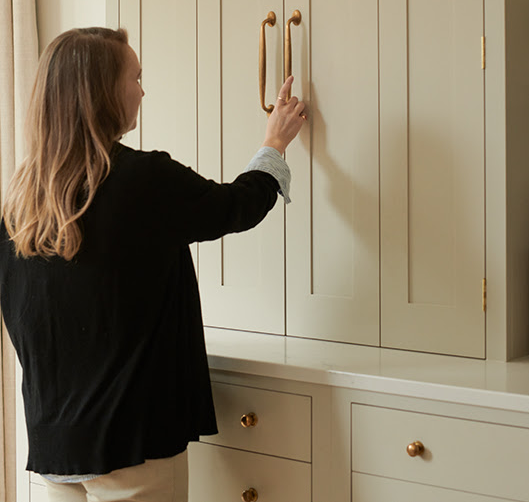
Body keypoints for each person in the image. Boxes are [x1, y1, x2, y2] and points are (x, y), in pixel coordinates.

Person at [0, 26, 306, 502]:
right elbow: (237, 207)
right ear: (103, 92)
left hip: (53, 446)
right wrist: (275, 143)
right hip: (131, 443)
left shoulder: (21, 202)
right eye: (135, 76)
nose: (143, 89)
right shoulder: (143, 181)